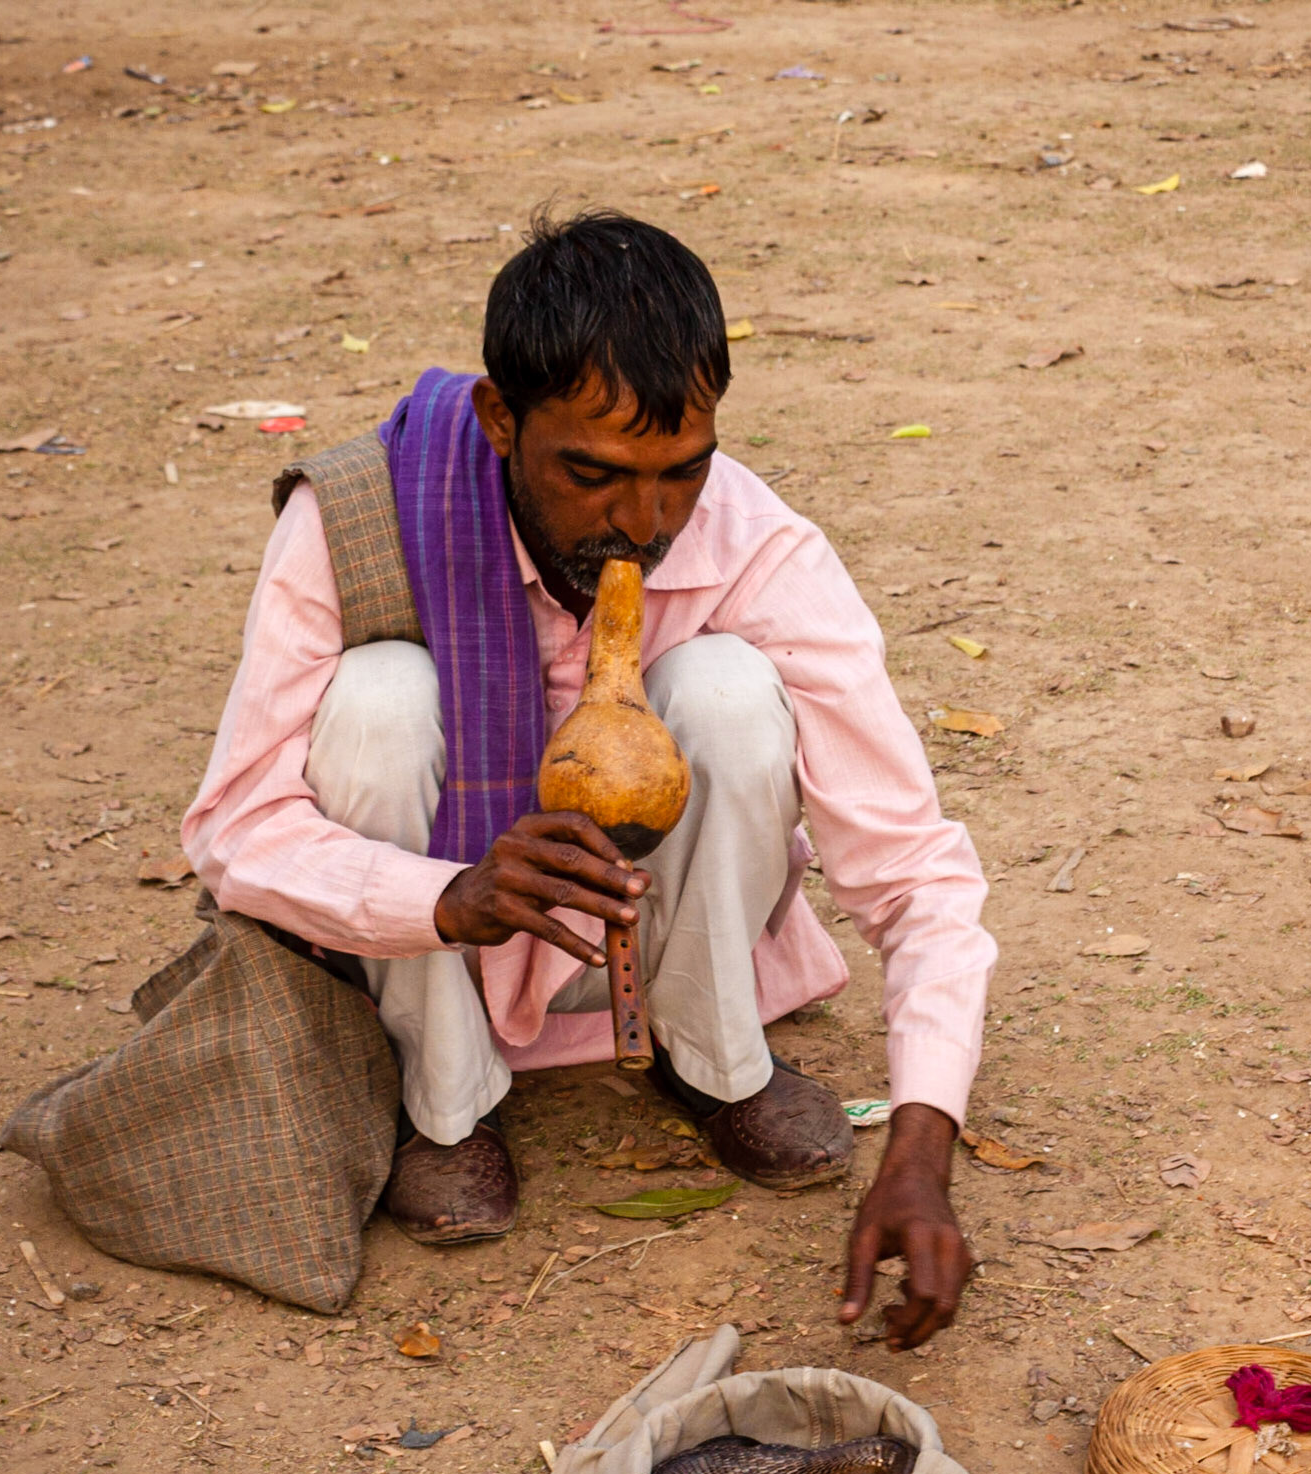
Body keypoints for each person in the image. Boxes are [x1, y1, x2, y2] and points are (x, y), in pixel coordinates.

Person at [183, 210, 995, 1351]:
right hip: (429, 956)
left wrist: (921, 1146)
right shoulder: (354, 520)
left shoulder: (753, 543)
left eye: (680, 474)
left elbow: (911, 865)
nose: (644, 523)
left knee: (722, 687)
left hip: (653, 930)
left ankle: (712, 1061)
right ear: (500, 418)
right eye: (593, 474)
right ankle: (446, 1104)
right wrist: (443, 898)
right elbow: (234, 828)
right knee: (377, 698)